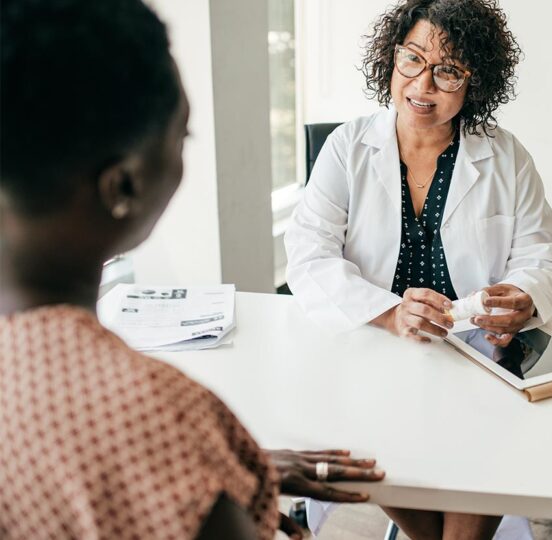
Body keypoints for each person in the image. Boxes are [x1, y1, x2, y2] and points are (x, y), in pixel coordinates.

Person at [0, 1, 385, 538]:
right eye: (184, 136)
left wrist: (201, 469)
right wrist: (188, 462)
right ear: (125, 186)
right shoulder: (156, 415)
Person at [285, 0, 552, 538]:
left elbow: (546, 253)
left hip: (478, 359)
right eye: (412, 60)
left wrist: (525, 294)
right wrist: (390, 313)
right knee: (394, 465)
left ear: (474, 81)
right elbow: (309, 253)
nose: (423, 84)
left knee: (481, 459)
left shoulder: (505, 156)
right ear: (391, 59)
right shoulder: (347, 148)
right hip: (377, 354)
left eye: (448, 71)